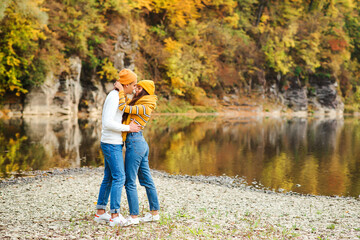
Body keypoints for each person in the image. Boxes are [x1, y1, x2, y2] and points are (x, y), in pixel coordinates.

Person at [94, 69, 141, 227]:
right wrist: (129, 128)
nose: (134, 88)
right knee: (119, 177)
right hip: (110, 143)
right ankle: (115, 215)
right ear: (126, 84)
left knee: (109, 177)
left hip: (113, 142)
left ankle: (100, 212)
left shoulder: (119, 95)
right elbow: (107, 122)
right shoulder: (113, 97)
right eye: (133, 85)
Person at [114, 80, 160, 226]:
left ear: (145, 90)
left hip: (135, 143)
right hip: (139, 143)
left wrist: (121, 90)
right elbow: (127, 105)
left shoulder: (145, 107)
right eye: (136, 87)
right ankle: (154, 214)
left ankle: (134, 217)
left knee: (130, 181)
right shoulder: (141, 103)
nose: (136, 90)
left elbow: (123, 107)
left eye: (139, 88)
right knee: (147, 180)